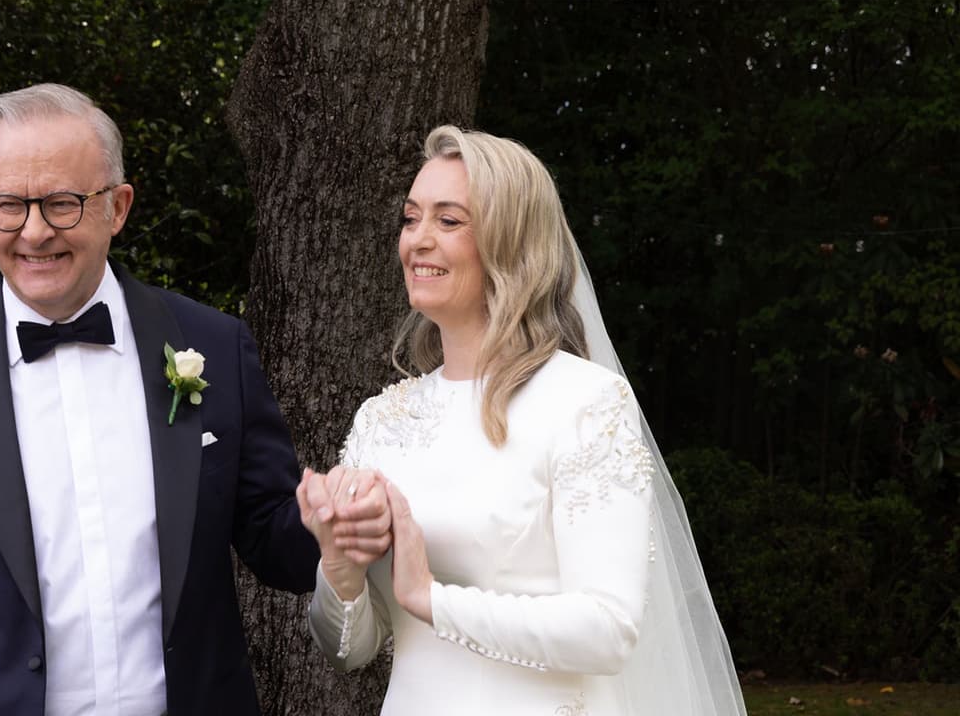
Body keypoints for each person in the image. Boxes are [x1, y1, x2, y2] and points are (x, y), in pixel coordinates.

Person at [0, 83, 376, 716]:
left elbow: (273, 539)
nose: (34, 232)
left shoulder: (214, 344)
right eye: (9, 206)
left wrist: (329, 529)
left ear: (118, 207)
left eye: (62, 203)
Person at [301, 126, 748, 715]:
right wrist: (340, 568)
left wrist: (432, 599)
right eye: (411, 219)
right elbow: (349, 651)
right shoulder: (381, 421)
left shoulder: (585, 403)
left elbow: (607, 629)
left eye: (449, 221)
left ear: (510, 241)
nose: (418, 241)